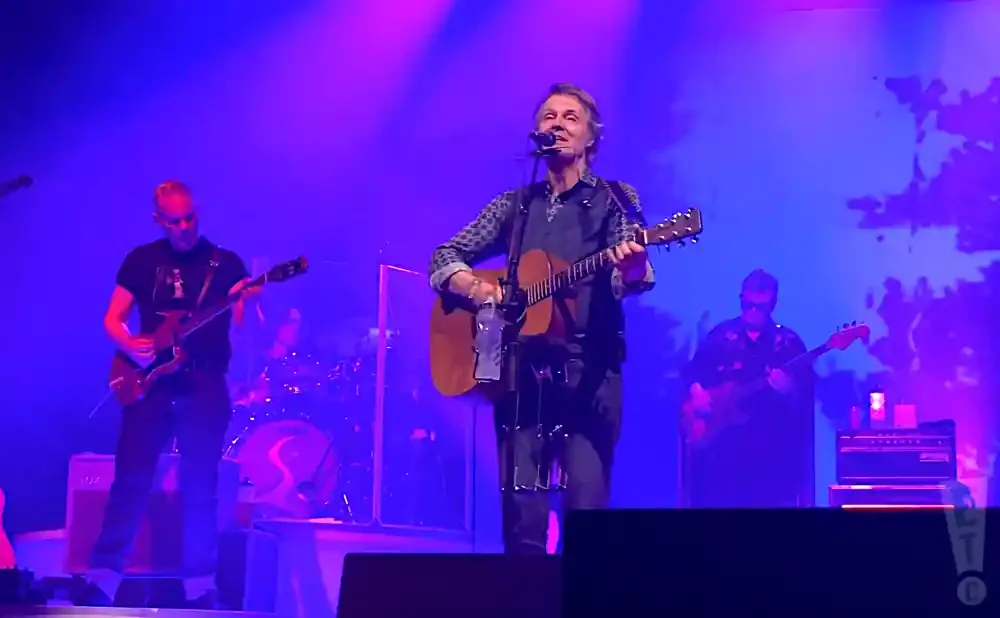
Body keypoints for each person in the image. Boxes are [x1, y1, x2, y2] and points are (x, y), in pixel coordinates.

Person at [428, 83, 655, 554]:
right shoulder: (514, 205)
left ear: (591, 137)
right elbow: (444, 257)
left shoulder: (615, 198)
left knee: (587, 520)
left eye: (570, 117)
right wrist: (478, 288)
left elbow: (624, 281)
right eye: (549, 116)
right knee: (521, 525)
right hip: (522, 375)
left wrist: (632, 268)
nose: (557, 124)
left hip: (588, 374)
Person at [75, 180, 255, 609]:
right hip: (151, 384)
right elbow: (112, 318)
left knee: (201, 487)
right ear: (160, 220)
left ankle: (198, 586)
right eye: (174, 221)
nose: (184, 226)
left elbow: (245, 330)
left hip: (204, 383)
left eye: (189, 216)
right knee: (131, 481)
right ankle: (103, 579)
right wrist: (127, 343)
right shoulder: (142, 260)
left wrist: (247, 301)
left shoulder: (224, 263)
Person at [681, 269, 815, 508]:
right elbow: (693, 372)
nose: (752, 312)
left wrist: (788, 390)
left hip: (770, 457)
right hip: (721, 454)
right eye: (747, 304)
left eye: (760, 307)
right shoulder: (721, 336)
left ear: (772, 305)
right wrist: (696, 392)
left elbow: (805, 401)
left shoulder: (789, 343)